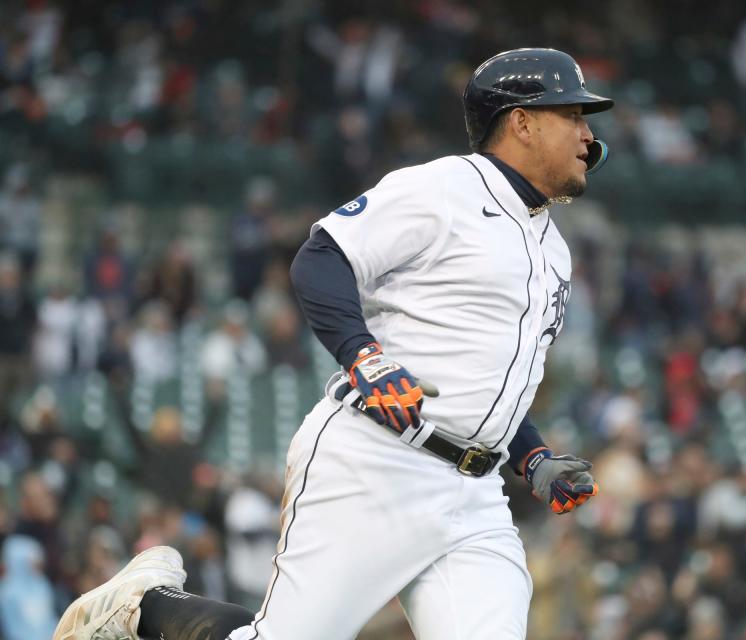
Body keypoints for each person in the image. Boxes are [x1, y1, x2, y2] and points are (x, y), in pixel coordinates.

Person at [54, 47, 610, 640]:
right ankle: (144, 607)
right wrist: (363, 356)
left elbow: (491, 382)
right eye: (572, 114)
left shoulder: (553, 249)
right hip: (377, 462)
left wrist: (533, 457)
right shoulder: (442, 188)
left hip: (476, 496)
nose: (586, 133)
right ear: (522, 121)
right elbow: (320, 259)